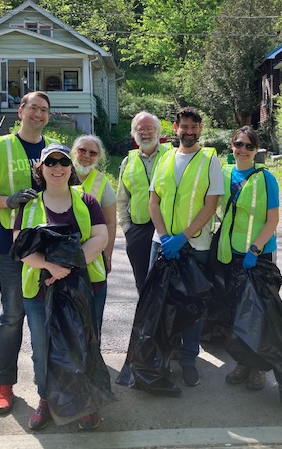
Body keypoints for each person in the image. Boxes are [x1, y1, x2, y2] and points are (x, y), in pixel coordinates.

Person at [13, 143, 108, 431]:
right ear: (40, 169)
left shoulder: (87, 200)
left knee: (84, 343)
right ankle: (46, 399)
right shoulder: (29, 206)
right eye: (50, 162)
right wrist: (49, 267)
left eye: (63, 162)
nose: (57, 167)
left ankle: (86, 402)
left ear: (71, 168)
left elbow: (100, 238)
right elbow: (20, 247)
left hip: (84, 287)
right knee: (43, 349)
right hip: (41, 292)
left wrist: (66, 268)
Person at [0, 91, 55, 415]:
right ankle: (3, 384)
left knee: (44, 322)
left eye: (44, 110)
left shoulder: (51, 152)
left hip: (44, 250)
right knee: (11, 317)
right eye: (33, 107)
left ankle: (47, 391)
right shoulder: (2, 147)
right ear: (21, 111)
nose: (38, 114)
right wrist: (8, 201)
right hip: (9, 250)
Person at [148, 106, 224, 387]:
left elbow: (210, 204)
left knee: (193, 305)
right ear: (176, 128)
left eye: (194, 127)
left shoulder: (209, 159)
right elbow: (153, 201)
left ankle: (190, 358)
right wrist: (165, 236)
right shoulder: (165, 158)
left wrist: (183, 237)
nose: (189, 132)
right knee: (162, 304)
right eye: (184, 127)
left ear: (200, 128)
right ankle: (163, 355)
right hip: (162, 244)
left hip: (195, 246)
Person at [216, 126, 279, 391]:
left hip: (258, 254)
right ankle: (242, 362)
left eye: (249, 146)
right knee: (237, 311)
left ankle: (258, 368)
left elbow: (273, 219)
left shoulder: (266, 178)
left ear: (257, 151)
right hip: (231, 254)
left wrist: (255, 250)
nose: (242, 150)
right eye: (238, 144)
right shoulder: (224, 173)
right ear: (231, 146)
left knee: (258, 312)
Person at [116, 111, 172, 293]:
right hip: (138, 230)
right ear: (134, 133)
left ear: (158, 131)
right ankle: (146, 320)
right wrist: (127, 228)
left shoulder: (172, 156)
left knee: (169, 283)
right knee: (144, 283)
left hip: (168, 228)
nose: (145, 133)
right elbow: (122, 197)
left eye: (150, 128)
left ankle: (167, 321)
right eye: (141, 129)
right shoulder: (128, 161)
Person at [71, 134, 116, 331]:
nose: (86, 156)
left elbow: (111, 223)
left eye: (92, 153)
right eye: (82, 150)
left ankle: (92, 357)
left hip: (93, 257)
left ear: (98, 157)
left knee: (92, 314)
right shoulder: (58, 172)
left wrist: (108, 254)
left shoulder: (102, 183)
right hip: (60, 256)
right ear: (74, 152)